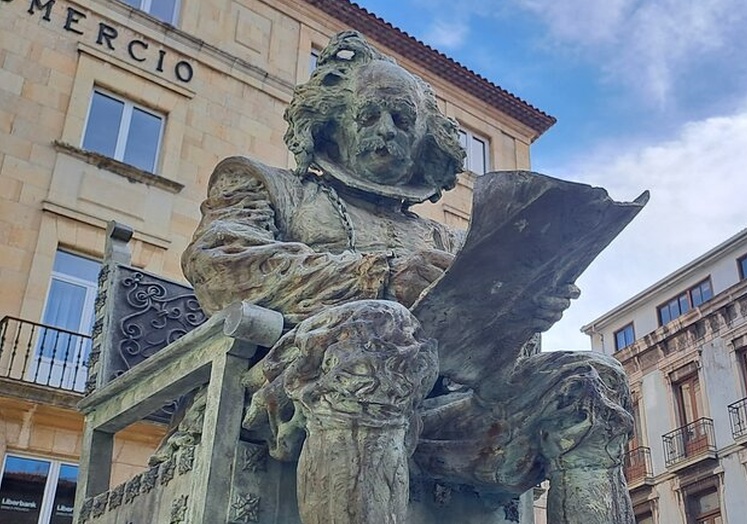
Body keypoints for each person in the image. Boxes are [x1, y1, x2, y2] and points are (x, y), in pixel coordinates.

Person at [181, 31, 634, 524]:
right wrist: (383, 275)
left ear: (424, 137)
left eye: (402, 120)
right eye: (369, 116)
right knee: (379, 330)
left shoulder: (447, 238)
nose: (386, 130)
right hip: (298, 390)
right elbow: (221, 265)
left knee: (591, 381)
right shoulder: (265, 184)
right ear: (333, 122)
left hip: (441, 412)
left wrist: (524, 315)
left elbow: (489, 360)